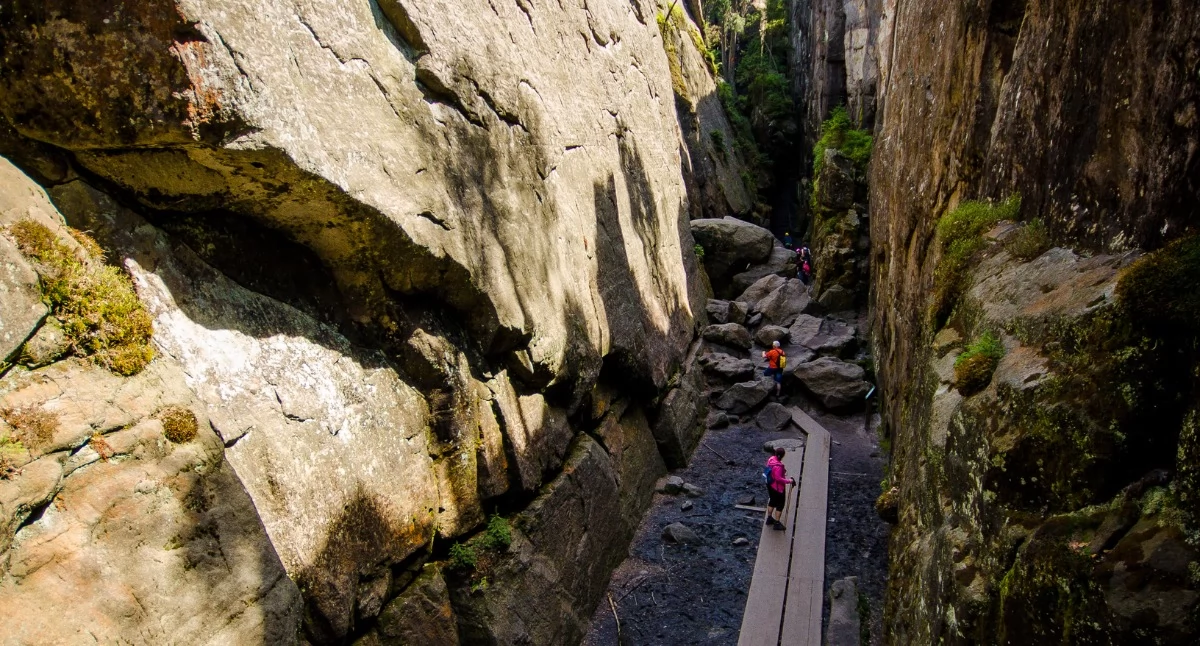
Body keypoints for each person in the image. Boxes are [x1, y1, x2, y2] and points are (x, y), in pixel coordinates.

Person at [765, 447, 796, 530]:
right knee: (780, 504)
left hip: (769, 484)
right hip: (777, 488)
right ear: (783, 455)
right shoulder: (778, 466)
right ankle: (777, 523)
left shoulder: (771, 460)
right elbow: (778, 479)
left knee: (772, 500)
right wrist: (789, 481)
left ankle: (769, 518)